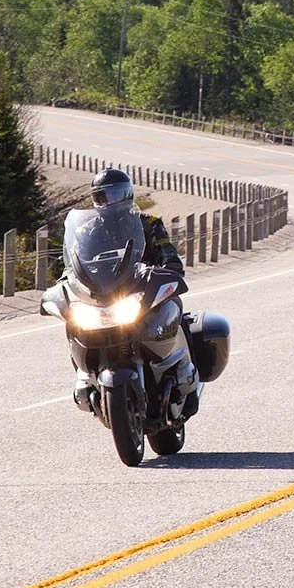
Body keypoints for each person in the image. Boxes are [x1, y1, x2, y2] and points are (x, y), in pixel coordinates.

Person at [74, 167, 200, 410]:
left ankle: (189, 382)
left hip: (144, 289)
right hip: (105, 295)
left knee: (175, 311)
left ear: (127, 194)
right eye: (103, 196)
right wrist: (67, 281)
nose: (109, 201)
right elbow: (74, 264)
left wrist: (170, 268)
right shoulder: (86, 231)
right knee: (75, 322)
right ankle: (85, 376)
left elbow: (168, 254)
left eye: (115, 194)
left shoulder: (148, 224)